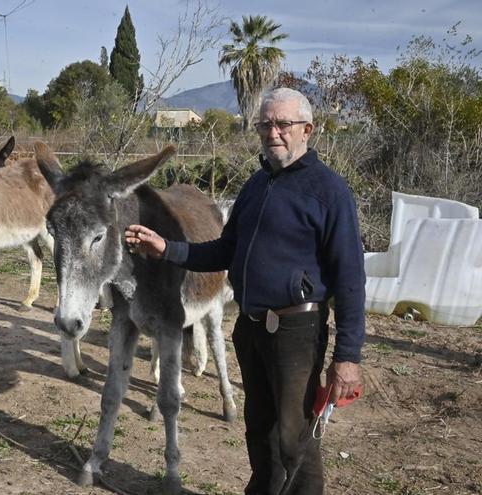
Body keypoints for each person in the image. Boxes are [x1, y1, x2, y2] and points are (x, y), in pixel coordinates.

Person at [125, 87, 365, 495]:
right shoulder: (256, 186)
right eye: (265, 124)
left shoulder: (329, 192)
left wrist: (347, 357)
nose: (274, 132)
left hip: (297, 330)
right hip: (251, 328)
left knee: (295, 439)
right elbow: (224, 250)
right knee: (261, 431)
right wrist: (167, 249)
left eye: (283, 124)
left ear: (307, 129)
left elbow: (350, 279)